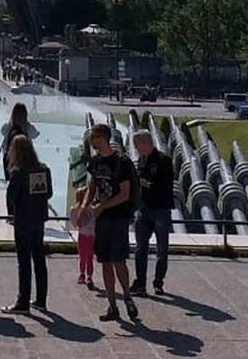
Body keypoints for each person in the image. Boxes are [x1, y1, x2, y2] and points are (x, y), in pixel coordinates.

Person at [83, 123, 139, 322]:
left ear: (103, 138)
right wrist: (84, 206)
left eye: (94, 136)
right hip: (102, 219)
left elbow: (125, 194)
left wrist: (103, 206)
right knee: (105, 261)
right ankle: (112, 305)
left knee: (118, 260)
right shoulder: (95, 161)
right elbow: (92, 186)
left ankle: (128, 298)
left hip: (118, 218)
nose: (91, 139)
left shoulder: (121, 162)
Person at [5, 134, 51, 313]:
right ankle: (41, 299)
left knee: (24, 261)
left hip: (23, 219)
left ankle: (22, 302)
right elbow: (49, 193)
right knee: (39, 258)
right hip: (39, 218)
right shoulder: (43, 169)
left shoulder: (18, 171)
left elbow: (11, 197)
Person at [129, 129, 172, 296]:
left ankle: (158, 282)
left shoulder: (164, 160)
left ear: (144, 143)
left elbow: (166, 185)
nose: (135, 147)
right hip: (144, 208)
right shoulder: (141, 160)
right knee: (141, 248)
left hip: (161, 209)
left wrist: (147, 184)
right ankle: (140, 282)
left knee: (162, 249)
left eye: (136, 144)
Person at [0, 102, 38, 173]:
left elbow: (2, 132)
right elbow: (35, 134)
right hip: (25, 157)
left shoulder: (7, 126)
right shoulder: (28, 127)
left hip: (8, 156)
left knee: (10, 177)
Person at [71, 196, 96, 287]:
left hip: (89, 235)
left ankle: (87, 275)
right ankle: (84, 274)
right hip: (86, 235)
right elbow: (75, 222)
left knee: (88, 257)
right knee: (84, 256)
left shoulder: (92, 209)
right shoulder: (79, 209)